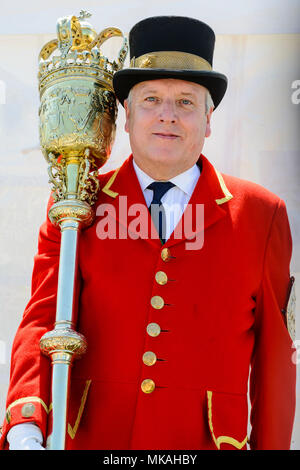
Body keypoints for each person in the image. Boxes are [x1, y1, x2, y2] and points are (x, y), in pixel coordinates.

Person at [0, 16, 296, 451]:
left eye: (186, 103)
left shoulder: (261, 214)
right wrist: (26, 421)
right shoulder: (78, 199)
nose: (167, 116)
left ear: (209, 119)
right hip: (89, 441)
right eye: (152, 99)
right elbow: (44, 318)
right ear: (127, 114)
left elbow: (274, 361)